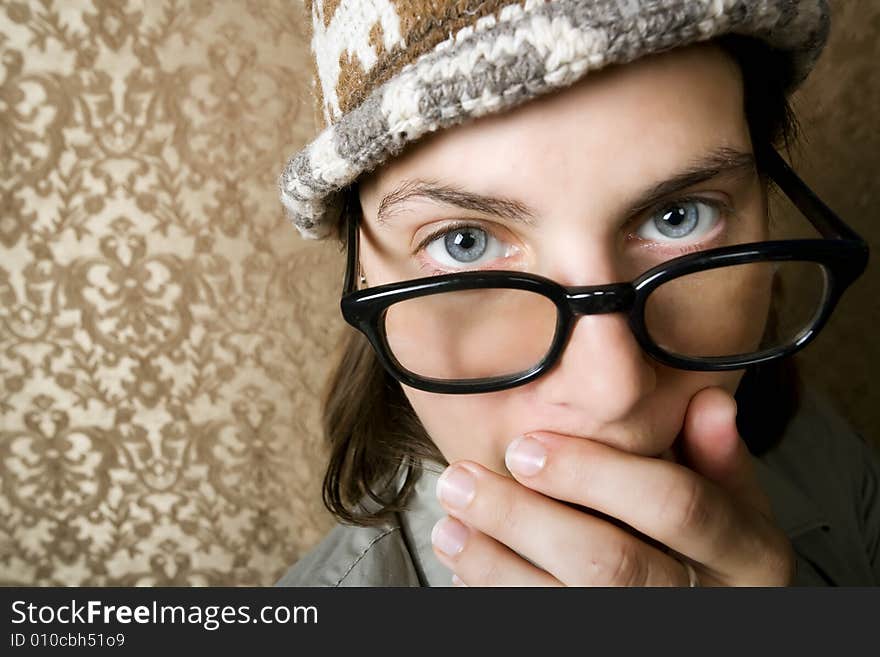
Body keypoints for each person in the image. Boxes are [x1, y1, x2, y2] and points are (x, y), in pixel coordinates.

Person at [275, 0, 876, 586]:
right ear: (362, 275)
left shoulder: (822, 449)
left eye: (679, 217)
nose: (613, 394)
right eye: (465, 243)